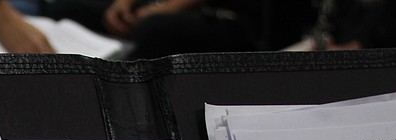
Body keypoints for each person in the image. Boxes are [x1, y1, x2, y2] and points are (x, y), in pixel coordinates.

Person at [44, 0, 313, 59]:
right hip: (167, 7)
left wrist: (168, 7)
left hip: (234, 20)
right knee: (66, 9)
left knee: (155, 29)